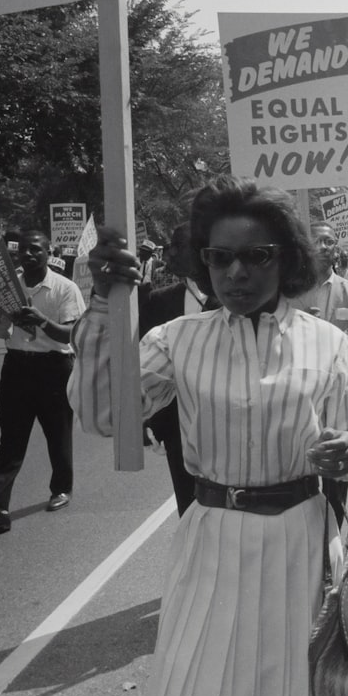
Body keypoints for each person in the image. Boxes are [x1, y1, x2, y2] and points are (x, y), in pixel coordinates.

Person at [71, 176, 348, 696]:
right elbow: (103, 415)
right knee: (202, 694)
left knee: (301, 695)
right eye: (219, 257)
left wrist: (346, 449)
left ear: (287, 260)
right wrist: (100, 306)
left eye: (256, 256)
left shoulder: (328, 342)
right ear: (202, 260)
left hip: (302, 541)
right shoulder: (176, 339)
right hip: (212, 537)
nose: (236, 273)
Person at [0, 228, 85, 534]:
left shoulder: (65, 288)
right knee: (10, 440)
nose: (30, 254)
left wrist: (42, 322)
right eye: (24, 250)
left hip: (55, 368)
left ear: (48, 252)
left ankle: (61, 488)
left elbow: (72, 334)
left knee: (57, 434)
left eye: (36, 249)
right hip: (17, 367)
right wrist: (6, 319)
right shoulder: (7, 289)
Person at [140, 221, 213, 516]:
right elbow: (144, 369)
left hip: (229, 422)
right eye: (167, 248)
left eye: (177, 247)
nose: (168, 255)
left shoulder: (237, 300)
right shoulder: (158, 301)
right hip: (178, 429)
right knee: (190, 511)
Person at [290, 220, 348, 368]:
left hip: (341, 383)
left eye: (329, 241)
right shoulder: (288, 293)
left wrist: (334, 366)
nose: (323, 247)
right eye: (316, 241)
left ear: (336, 248)